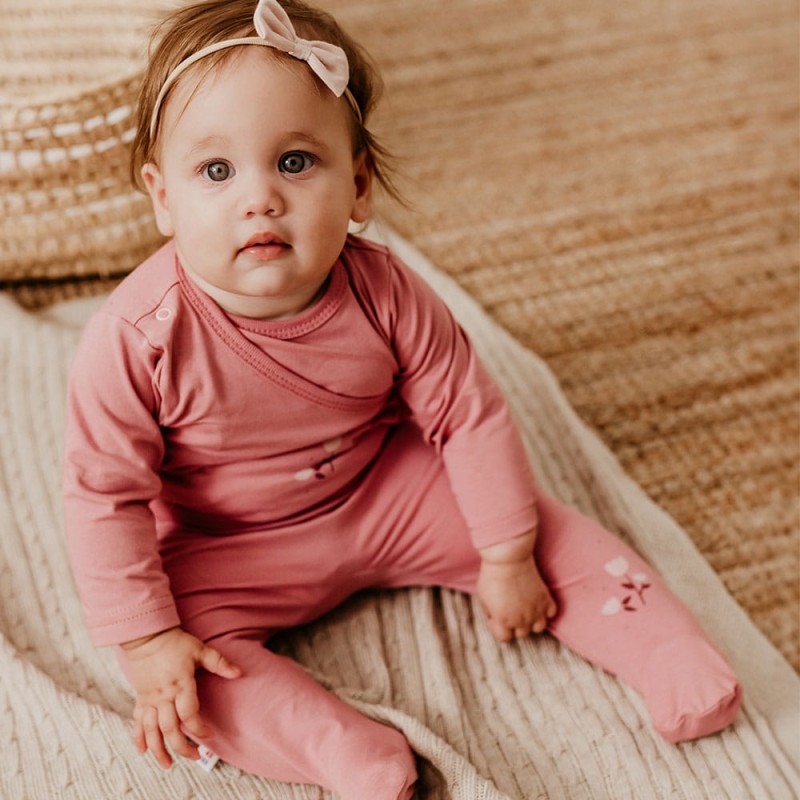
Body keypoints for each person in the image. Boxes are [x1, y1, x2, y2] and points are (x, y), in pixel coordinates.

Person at [61, 1, 742, 797]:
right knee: (185, 677)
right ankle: (344, 751)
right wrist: (147, 643)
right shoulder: (135, 339)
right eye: (217, 172)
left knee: (548, 530)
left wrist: (506, 553)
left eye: (294, 163)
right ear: (162, 198)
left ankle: (666, 652)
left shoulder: (386, 291)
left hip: (387, 487)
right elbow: (104, 497)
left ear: (357, 187)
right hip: (228, 543)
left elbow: (465, 411)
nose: (260, 199)